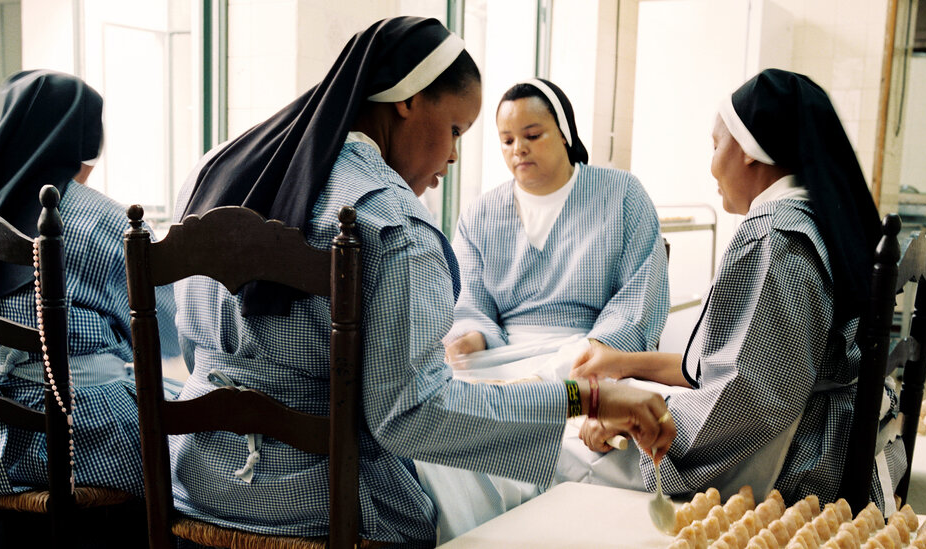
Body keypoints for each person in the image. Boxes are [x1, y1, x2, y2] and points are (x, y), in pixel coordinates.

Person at [170, 16, 675, 547]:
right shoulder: (393, 223)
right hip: (323, 501)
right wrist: (585, 399)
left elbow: (188, 340)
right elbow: (410, 416)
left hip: (197, 477)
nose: (455, 155)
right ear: (407, 100)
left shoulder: (216, 170)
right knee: (487, 506)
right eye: (457, 130)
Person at [569, 68, 905, 514]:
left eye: (715, 146)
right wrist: (626, 363)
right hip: (832, 434)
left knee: (567, 456)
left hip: (796, 460)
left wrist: (632, 419)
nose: (711, 165)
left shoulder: (774, 239)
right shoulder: (818, 220)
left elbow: (747, 402)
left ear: (748, 151)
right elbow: (747, 362)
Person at [0, 70, 180, 499]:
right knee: (190, 447)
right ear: (85, 145)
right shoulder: (99, 219)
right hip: (77, 440)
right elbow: (167, 332)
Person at [444, 78, 669, 377]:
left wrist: (594, 350)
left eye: (533, 135)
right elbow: (468, 301)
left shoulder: (622, 195)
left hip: (590, 356)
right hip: (501, 357)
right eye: (507, 140)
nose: (519, 149)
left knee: (584, 399)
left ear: (564, 134)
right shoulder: (479, 214)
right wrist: (469, 339)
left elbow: (638, 300)